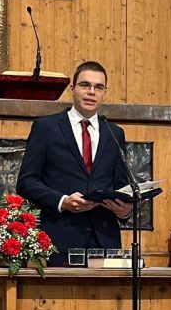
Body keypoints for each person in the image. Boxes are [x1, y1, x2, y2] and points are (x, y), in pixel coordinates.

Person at [16, 61, 132, 263]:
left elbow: (121, 185)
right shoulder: (46, 128)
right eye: (85, 85)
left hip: (104, 241)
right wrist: (62, 201)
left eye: (98, 87)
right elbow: (26, 182)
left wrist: (125, 212)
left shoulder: (114, 133)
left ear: (104, 93)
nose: (91, 92)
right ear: (72, 88)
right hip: (60, 239)